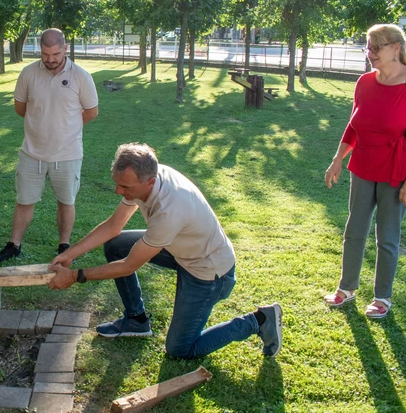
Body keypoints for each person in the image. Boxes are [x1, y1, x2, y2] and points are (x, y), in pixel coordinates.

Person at [48, 143, 282, 359]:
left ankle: (258, 321)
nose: (118, 191)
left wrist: (74, 276)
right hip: (179, 248)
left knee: (180, 349)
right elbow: (113, 226)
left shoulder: (170, 209)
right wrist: (69, 255)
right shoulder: (148, 177)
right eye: (117, 183)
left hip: (208, 271)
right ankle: (136, 321)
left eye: (125, 186)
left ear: (149, 182)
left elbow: (129, 265)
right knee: (116, 245)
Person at [324, 24, 406, 318]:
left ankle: (382, 297)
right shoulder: (365, 82)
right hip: (363, 166)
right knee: (354, 229)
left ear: (397, 48)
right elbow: (354, 124)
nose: (370, 53)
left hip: (398, 172)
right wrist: (337, 159)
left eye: (376, 47)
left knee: (388, 236)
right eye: (367, 47)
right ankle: (346, 288)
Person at [0, 28, 99, 263]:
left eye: (56, 54)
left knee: (66, 201)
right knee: (24, 200)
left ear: (65, 49)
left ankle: (64, 247)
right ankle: (14, 244)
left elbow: (91, 111)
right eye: (45, 54)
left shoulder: (81, 77)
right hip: (32, 153)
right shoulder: (28, 74)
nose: (50, 59)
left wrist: (67, 126)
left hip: (68, 154)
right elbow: (20, 108)